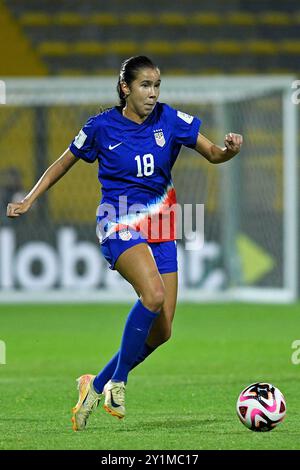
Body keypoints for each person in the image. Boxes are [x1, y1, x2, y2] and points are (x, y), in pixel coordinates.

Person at [6, 56, 243, 431]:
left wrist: (229, 150)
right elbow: (62, 163)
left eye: (157, 85)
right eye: (145, 85)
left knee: (163, 331)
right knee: (152, 296)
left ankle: (95, 384)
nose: (153, 93)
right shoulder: (100, 127)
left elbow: (213, 152)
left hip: (162, 225)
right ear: (125, 88)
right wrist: (29, 199)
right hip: (117, 221)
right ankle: (119, 382)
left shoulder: (169, 119)